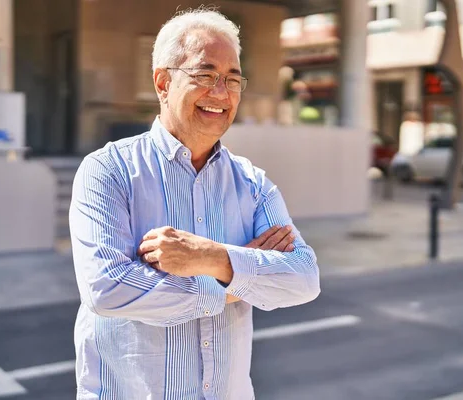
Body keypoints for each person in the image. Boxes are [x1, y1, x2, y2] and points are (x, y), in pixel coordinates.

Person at [69, 7, 320, 399]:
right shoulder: (108, 171)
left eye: (232, 79)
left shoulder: (252, 184)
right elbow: (108, 290)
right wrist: (236, 281)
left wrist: (210, 258)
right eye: (205, 75)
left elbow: (303, 278)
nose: (221, 93)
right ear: (163, 82)